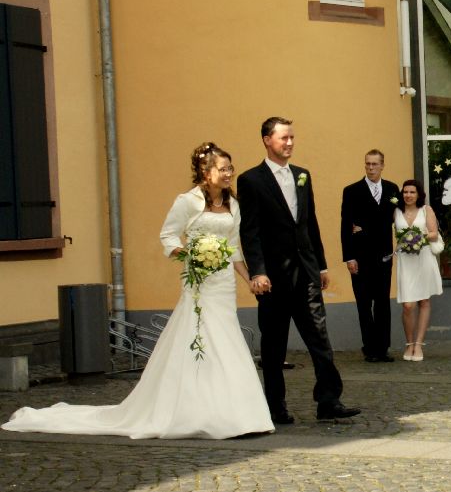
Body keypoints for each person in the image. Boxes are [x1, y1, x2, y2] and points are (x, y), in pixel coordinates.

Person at [3, 143, 274, 439]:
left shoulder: (234, 205)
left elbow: (234, 249)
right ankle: (199, 411)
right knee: (201, 336)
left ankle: (238, 413)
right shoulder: (187, 201)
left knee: (227, 338)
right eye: (223, 169)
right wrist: (190, 256)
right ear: (206, 172)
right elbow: (168, 235)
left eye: (230, 168)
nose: (228, 174)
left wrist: (249, 278)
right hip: (198, 283)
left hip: (223, 284)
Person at [238, 117, 359, 424]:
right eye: (283, 138)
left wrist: (320, 264)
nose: (289, 143)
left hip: (306, 273)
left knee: (319, 337)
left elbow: (310, 223)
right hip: (273, 279)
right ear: (267, 140)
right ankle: (276, 405)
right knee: (274, 345)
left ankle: (329, 400)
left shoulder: (303, 175)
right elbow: (249, 232)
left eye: (292, 137)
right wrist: (257, 272)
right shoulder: (251, 180)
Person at [341, 149, 400, 363]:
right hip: (361, 256)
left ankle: (383, 347)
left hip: (384, 255)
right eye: (368, 164)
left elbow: (398, 217)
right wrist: (349, 256)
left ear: (382, 165)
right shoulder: (352, 191)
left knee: (383, 301)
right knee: (364, 303)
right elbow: (345, 226)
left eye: (375, 164)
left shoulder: (393, 189)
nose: (371, 168)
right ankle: (370, 347)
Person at [394, 179, 443, 361]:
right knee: (407, 305)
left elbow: (434, 233)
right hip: (406, 261)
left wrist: (416, 237)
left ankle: (418, 344)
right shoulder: (396, 211)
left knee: (424, 301)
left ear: (418, 194)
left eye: (412, 192)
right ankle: (409, 342)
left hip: (423, 258)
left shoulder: (426, 210)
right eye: (405, 192)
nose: (408, 195)